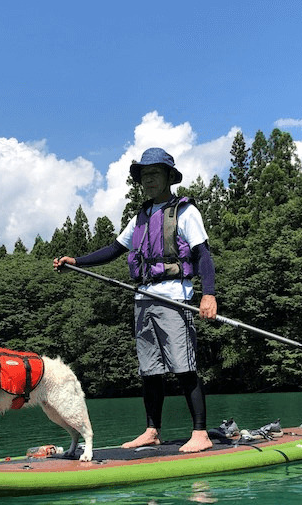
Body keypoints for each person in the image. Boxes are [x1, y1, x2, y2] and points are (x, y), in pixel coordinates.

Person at [53, 147, 217, 452]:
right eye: (144, 175)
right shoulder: (141, 217)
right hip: (143, 299)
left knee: (184, 367)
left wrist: (209, 294)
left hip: (174, 299)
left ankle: (200, 433)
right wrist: (77, 261)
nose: (149, 180)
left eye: (155, 174)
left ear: (169, 177)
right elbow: (115, 249)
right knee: (150, 369)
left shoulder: (185, 212)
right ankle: (152, 430)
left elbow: (202, 255)